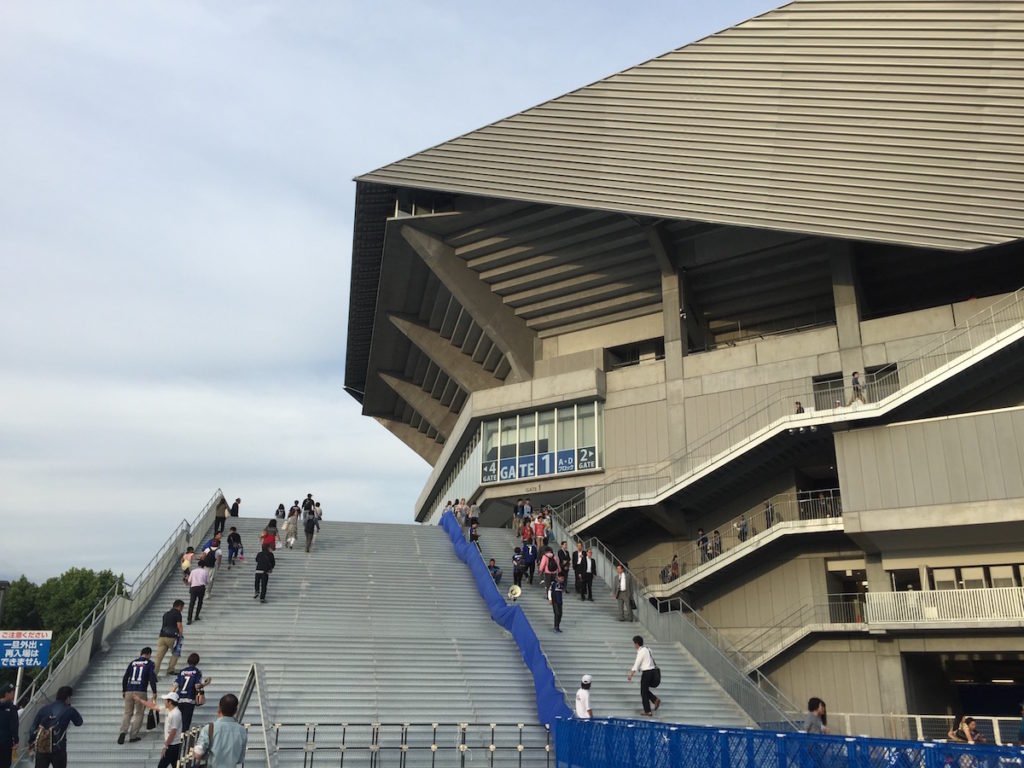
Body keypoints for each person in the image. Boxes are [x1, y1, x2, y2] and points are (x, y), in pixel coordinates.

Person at [28, 685, 83, 767]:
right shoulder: (69, 710)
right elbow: (79, 722)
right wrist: (70, 708)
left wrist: (31, 742)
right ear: (68, 697)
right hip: (59, 749)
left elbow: (33, 728)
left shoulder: (44, 709)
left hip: (42, 748)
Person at [193, 694, 247, 768]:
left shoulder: (209, 728)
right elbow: (240, 759)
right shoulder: (242, 730)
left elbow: (198, 753)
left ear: (219, 709)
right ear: (236, 710)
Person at [118, 647, 157, 744]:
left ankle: (123, 732)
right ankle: (133, 736)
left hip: (129, 690)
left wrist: (124, 690)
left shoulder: (133, 663)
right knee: (139, 713)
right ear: (149, 654)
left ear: (141, 653)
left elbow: (125, 677)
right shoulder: (149, 664)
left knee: (127, 713)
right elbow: (151, 678)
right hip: (141, 691)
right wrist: (154, 691)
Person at [137, 691, 183, 768]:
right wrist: (140, 700)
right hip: (172, 745)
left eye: (165, 700)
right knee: (175, 765)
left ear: (170, 702)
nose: (164, 702)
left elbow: (173, 732)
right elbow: (154, 706)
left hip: (173, 746)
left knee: (161, 766)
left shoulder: (175, 714)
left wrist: (166, 746)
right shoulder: (169, 710)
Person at [172, 653, 210, 731]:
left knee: (178, 721)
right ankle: (183, 739)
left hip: (179, 698)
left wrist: (171, 696)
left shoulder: (182, 671)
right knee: (186, 722)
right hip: (189, 699)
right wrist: (205, 683)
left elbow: (175, 685)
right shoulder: (197, 672)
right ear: (197, 662)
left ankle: (176, 736)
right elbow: (197, 686)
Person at [627, 636, 661, 716]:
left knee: (643, 692)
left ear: (637, 643)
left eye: (634, 643)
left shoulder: (641, 651)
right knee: (644, 690)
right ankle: (655, 700)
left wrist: (631, 675)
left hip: (646, 673)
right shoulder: (648, 649)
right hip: (652, 672)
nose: (634, 645)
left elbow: (637, 663)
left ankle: (648, 711)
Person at [154, 599, 185, 678]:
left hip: (162, 637)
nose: (182, 609)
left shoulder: (166, 614)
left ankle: (154, 673)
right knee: (176, 653)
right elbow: (179, 626)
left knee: (159, 657)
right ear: (179, 606)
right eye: (182, 607)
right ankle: (170, 669)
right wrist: (181, 636)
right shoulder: (178, 613)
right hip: (172, 637)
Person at [0, 683, 18, 768]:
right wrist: (16, 741)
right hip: (5, 743)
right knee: (5, 764)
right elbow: (14, 726)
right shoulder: (12, 708)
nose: (13, 694)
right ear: (7, 694)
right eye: (12, 692)